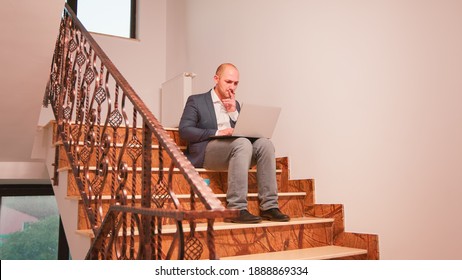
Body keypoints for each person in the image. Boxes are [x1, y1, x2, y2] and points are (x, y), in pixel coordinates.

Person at [179, 63, 290, 223]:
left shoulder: (235, 105)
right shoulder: (196, 101)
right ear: (216, 79)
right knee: (243, 144)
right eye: (228, 82)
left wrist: (234, 114)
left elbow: (242, 132)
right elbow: (185, 130)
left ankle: (269, 207)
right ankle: (236, 209)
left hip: (237, 151)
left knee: (265, 144)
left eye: (236, 83)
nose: (232, 87)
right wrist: (218, 132)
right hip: (208, 151)